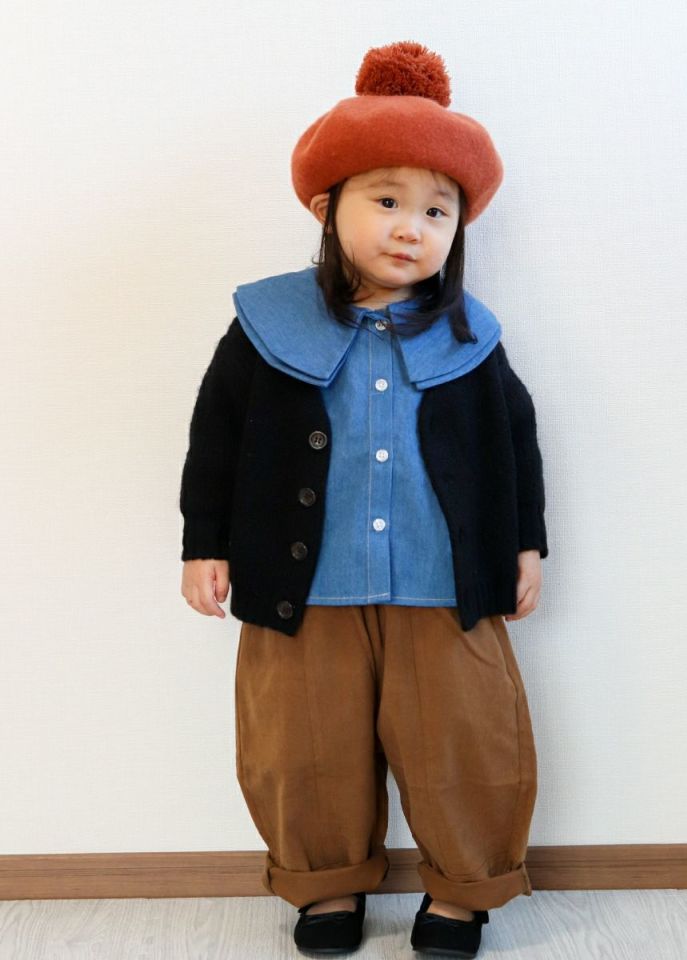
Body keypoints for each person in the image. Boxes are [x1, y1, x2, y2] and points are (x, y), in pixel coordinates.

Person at [179, 40, 549, 959]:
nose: (410, 228)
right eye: (386, 201)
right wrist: (204, 543)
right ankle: (325, 888)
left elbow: (513, 444)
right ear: (326, 206)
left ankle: (462, 893)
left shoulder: (472, 338)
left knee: (464, 740)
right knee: (302, 745)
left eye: (437, 211)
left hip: (442, 581)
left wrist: (525, 544)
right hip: (303, 587)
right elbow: (215, 437)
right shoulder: (265, 327)